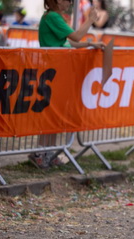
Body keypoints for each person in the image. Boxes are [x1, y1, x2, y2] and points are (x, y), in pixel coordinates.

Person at [30, 0, 105, 169]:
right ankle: (40, 153)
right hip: (54, 71)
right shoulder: (53, 17)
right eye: (67, 0)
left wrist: (89, 44)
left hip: (58, 71)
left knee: (55, 114)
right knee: (51, 114)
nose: (70, 3)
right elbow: (76, 36)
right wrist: (90, 20)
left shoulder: (54, 16)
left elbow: (67, 42)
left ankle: (49, 152)